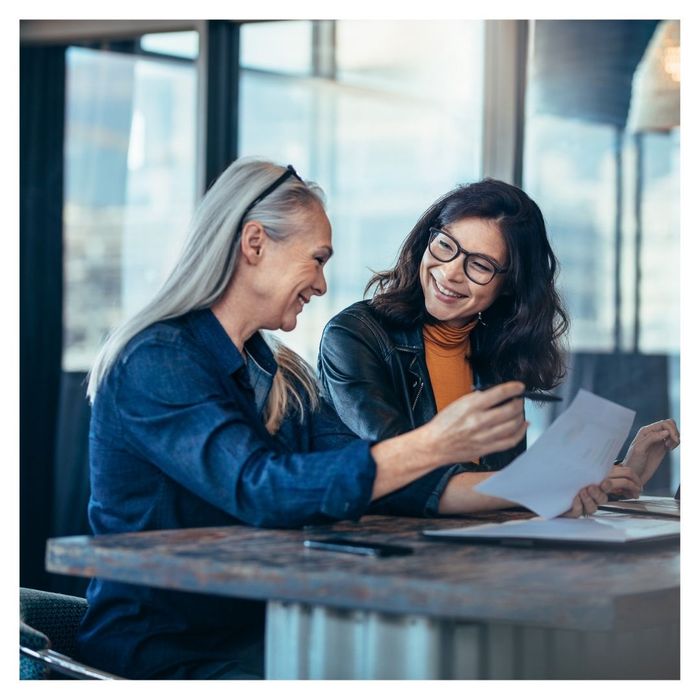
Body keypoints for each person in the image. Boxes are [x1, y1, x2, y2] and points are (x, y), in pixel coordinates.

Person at [78, 159, 611, 680]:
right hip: (162, 655)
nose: (323, 285)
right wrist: (434, 444)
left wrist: (552, 485)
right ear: (255, 244)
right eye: (317, 259)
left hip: (259, 631)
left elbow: (381, 483)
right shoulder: (158, 359)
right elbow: (259, 487)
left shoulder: (272, 367)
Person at [318, 178, 680, 517]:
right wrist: (548, 486)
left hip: (475, 551)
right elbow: (401, 470)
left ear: (509, 285)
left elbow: (503, 486)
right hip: (382, 552)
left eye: (480, 265)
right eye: (445, 245)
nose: (450, 272)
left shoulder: (498, 352)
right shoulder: (355, 334)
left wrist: (612, 477)